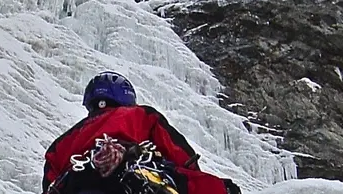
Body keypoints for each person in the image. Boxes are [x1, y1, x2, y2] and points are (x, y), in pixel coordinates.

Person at [41, 71, 242, 194]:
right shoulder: (139, 114)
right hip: (131, 178)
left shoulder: (61, 142)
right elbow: (180, 156)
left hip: (76, 184)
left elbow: (50, 183)